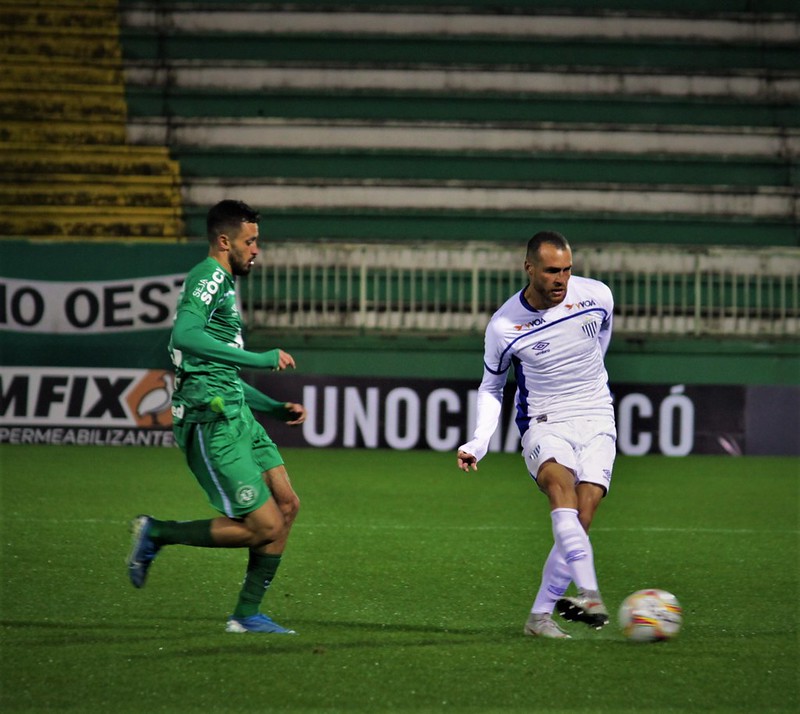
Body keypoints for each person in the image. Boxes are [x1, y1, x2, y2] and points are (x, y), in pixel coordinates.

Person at [128, 199, 306, 635]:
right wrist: (260, 358)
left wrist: (271, 407)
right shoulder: (207, 276)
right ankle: (158, 533)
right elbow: (184, 336)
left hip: (238, 411)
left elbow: (219, 369)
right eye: (251, 242)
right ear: (225, 242)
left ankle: (247, 614)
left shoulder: (224, 285)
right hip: (211, 420)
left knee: (287, 504)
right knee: (263, 526)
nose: (256, 250)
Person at [457, 230, 616, 639]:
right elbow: (491, 387)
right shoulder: (504, 325)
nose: (561, 279)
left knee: (585, 512)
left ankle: (538, 618)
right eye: (551, 271)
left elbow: (600, 343)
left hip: (597, 413)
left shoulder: (597, 296)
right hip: (545, 419)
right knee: (559, 487)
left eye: (566, 269)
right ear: (529, 268)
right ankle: (591, 594)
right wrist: (480, 440)